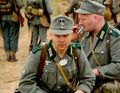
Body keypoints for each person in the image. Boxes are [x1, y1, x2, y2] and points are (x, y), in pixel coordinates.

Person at [19, 15, 95, 93]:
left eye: (65, 36)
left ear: (71, 35)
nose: (61, 40)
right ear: (51, 35)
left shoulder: (77, 52)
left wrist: (80, 91)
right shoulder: (39, 54)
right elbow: (25, 83)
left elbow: (88, 78)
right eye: (57, 36)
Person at [74, 0, 120, 93]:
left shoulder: (115, 37)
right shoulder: (82, 35)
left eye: (83, 19)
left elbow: (118, 66)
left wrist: (95, 72)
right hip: (86, 83)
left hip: (104, 84)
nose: (80, 23)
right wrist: (69, 39)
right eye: (79, 19)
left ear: (95, 18)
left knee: (109, 88)